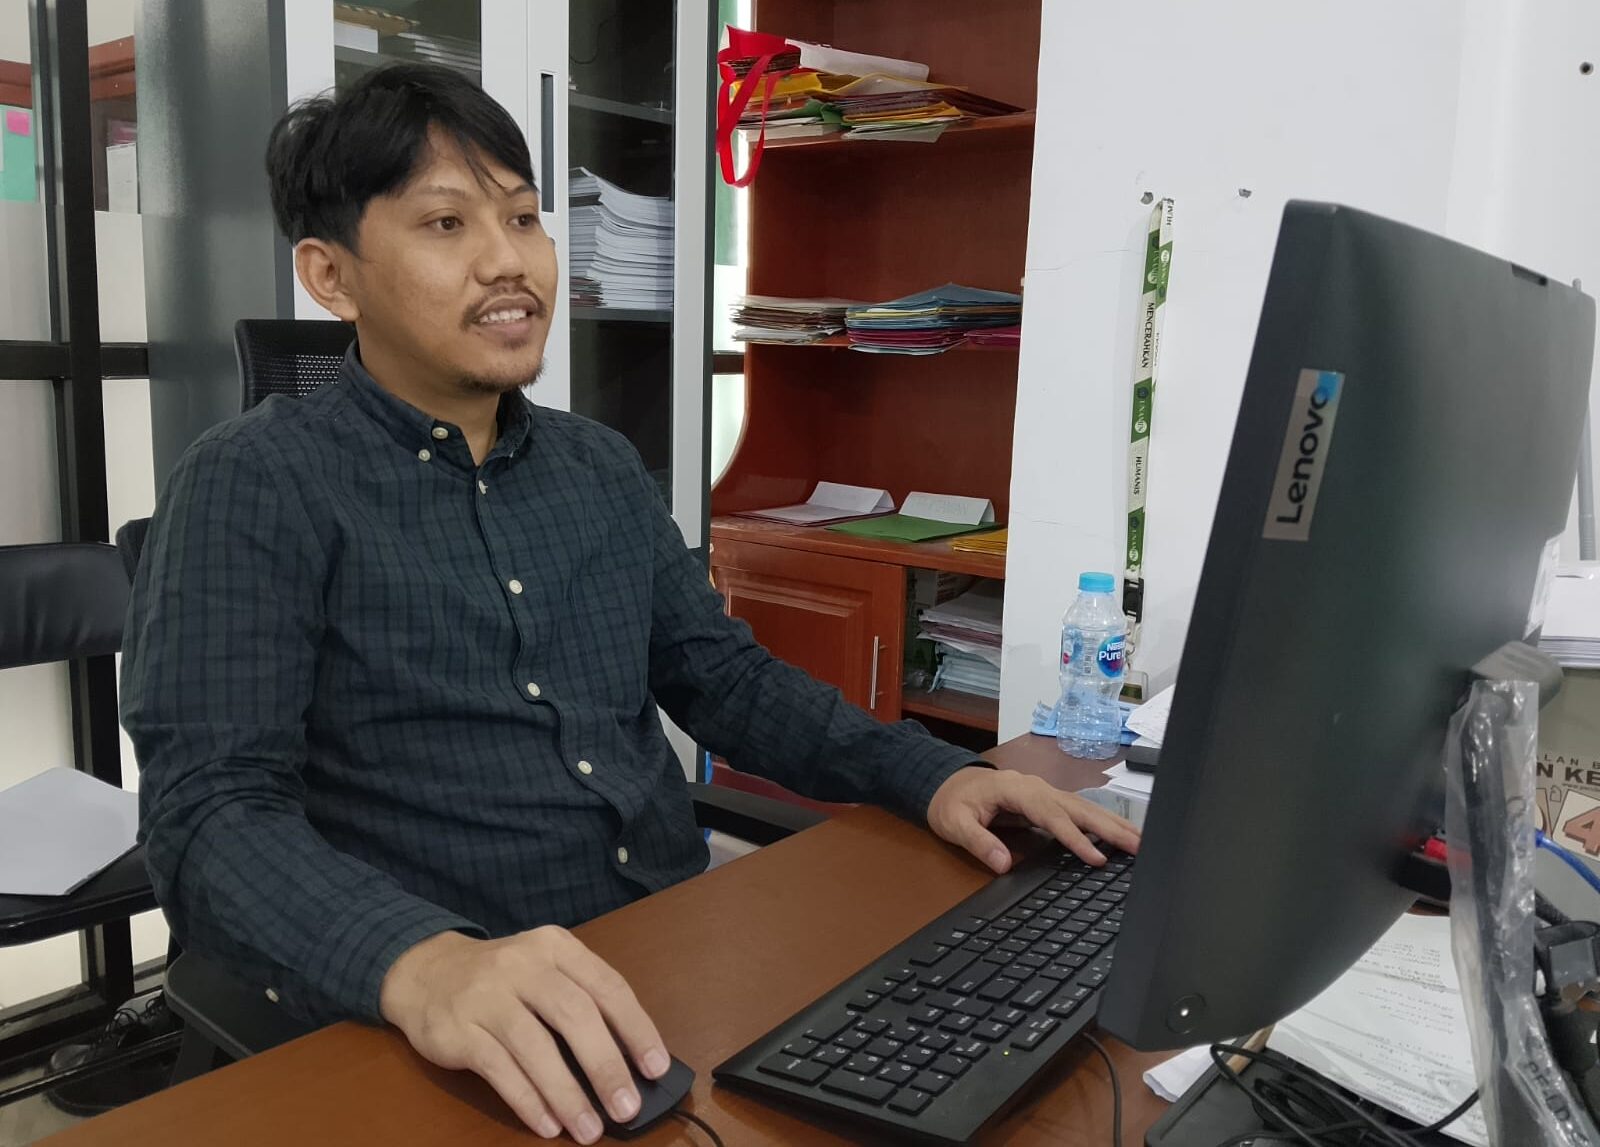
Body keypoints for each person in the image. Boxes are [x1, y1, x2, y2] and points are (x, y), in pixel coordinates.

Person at [121, 63, 1139, 1144]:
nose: (509, 261)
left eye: (523, 217)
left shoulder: (598, 466)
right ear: (332, 276)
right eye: (446, 223)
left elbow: (724, 678)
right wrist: (418, 963)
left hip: (664, 963)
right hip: (448, 1021)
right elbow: (208, 811)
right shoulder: (254, 482)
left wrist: (933, 774)